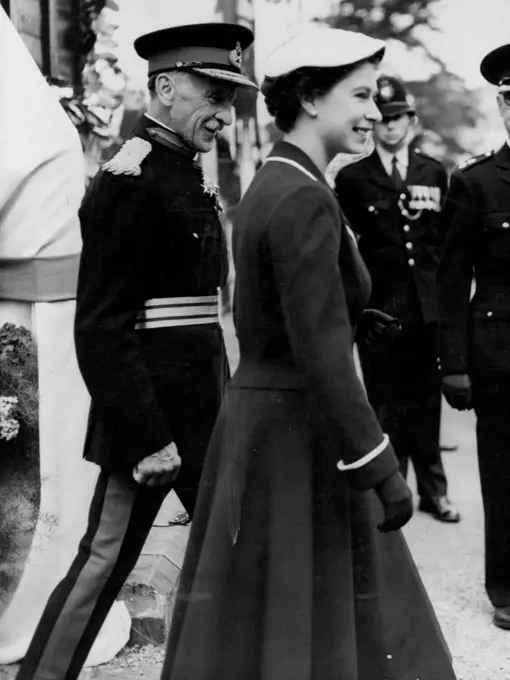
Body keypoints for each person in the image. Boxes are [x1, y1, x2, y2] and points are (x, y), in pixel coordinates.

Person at [161, 28, 456, 680]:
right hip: (299, 431)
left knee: (270, 616)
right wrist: (380, 466)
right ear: (312, 98)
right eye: (359, 95)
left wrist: (354, 315)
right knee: (325, 616)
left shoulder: (274, 180)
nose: (374, 114)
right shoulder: (306, 199)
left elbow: (281, 315)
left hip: (263, 419)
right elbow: (321, 358)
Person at [15, 23, 257, 680]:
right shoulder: (130, 180)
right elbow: (100, 326)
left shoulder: (189, 176)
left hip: (205, 413)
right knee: (102, 563)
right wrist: (147, 435)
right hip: (149, 423)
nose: (224, 113)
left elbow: (206, 318)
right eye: (214, 93)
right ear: (167, 85)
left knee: (236, 558)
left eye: (232, 98)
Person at [334, 75, 460, 523]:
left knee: (428, 402)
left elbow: (442, 247)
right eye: (383, 119)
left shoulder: (433, 172)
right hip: (380, 311)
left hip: (426, 310)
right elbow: (345, 249)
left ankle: (435, 491)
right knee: (384, 402)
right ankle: (395, 490)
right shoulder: (352, 177)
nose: (390, 127)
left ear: (412, 120)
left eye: (398, 118)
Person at [438, 43, 510, 630]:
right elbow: (452, 277)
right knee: (505, 472)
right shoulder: (476, 183)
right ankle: (507, 588)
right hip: (501, 357)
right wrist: (453, 364)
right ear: (503, 107)